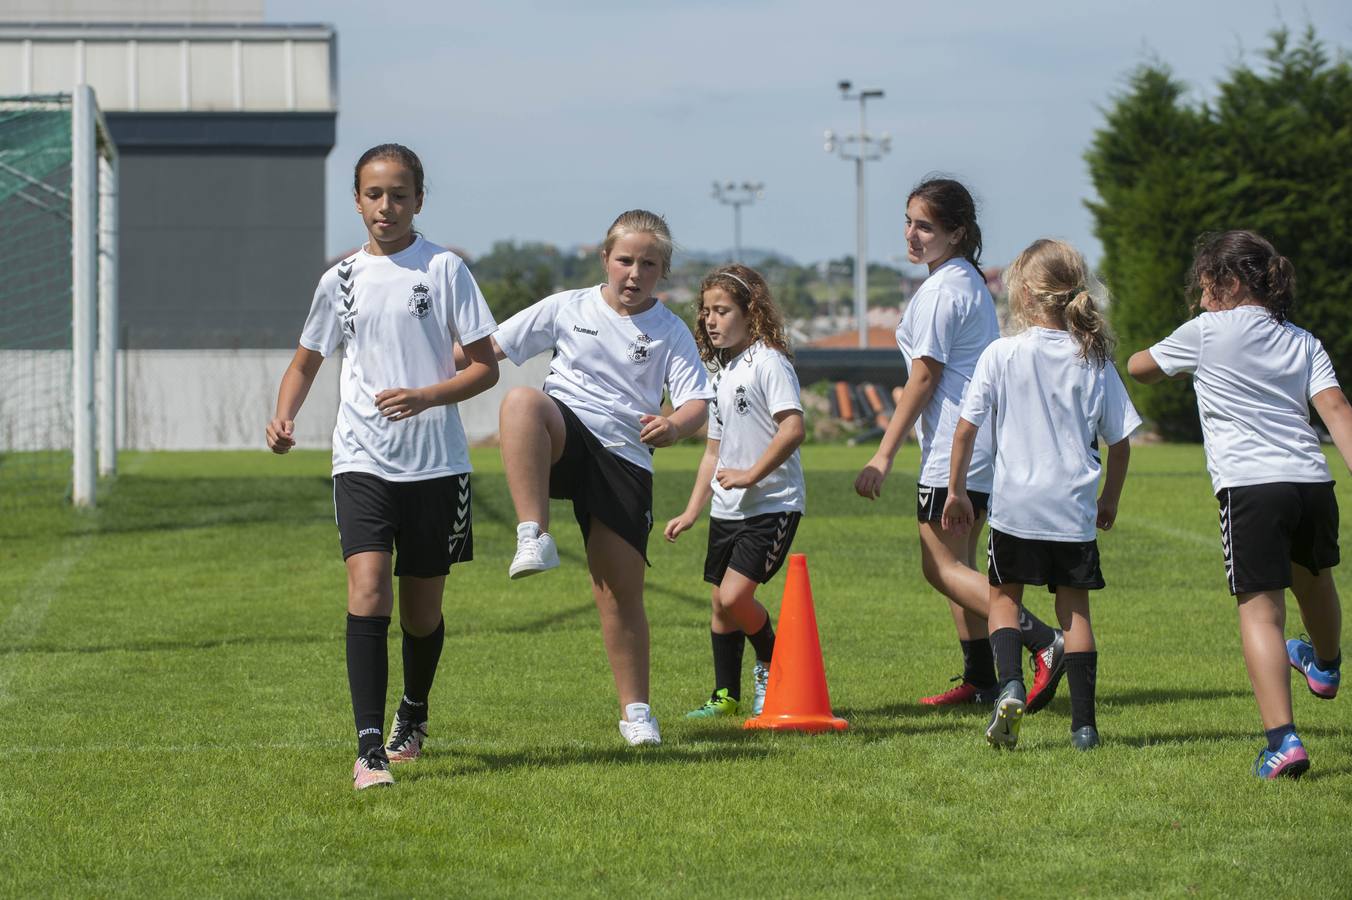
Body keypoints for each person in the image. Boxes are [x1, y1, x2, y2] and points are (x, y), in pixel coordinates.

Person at [265, 143, 500, 789]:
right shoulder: (337, 280)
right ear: (358, 201)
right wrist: (284, 415)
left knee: (421, 613)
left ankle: (413, 715)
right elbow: (306, 360)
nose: (386, 206)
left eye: (399, 194)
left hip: (437, 467)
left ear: (418, 200)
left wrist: (426, 396)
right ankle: (369, 750)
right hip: (362, 460)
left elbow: (485, 366)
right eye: (374, 194)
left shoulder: (445, 269)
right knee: (369, 590)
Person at [1128, 230, 1348, 779]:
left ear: (1227, 281)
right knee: (1316, 579)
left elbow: (1139, 367)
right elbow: (1337, 408)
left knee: (1261, 611)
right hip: (1311, 483)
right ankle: (1325, 666)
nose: (1200, 291)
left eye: (1205, 280)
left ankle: (1283, 741)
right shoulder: (1301, 339)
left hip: (1251, 488)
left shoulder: (1206, 332)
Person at [492, 209, 713, 746]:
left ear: (662, 271)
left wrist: (673, 425)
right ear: (604, 259)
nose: (634, 273)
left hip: (624, 457)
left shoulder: (670, 331)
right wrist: (421, 374)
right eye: (625, 260)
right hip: (565, 432)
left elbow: (696, 404)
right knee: (522, 401)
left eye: (649, 264)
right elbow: (486, 349)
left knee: (619, 594)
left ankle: (637, 715)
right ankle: (533, 535)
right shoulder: (567, 306)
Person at [854, 177, 1064, 710]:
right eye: (908, 221)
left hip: (957, 447)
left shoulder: (944, 288)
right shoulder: (964, 279)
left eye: (925, 225)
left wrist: (883, 454)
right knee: (961, 565)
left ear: (958, 232)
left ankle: (1042, 640)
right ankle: (981, 679)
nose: (912, 234)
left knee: (940, 566)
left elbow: (923, 379)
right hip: (976, 446)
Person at [945, 238, 1139, 751]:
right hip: (1072, 511)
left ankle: (1010, 683)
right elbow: (1120, 445)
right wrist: (1110, 500)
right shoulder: (1093, 360)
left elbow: (965, 431)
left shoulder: (1002, 354)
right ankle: (1084, 727)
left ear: (1025, 295)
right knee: (1075, 614)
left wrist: (956, 492)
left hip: (1015, 509)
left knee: (1004, 599)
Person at [664, 265, 805, 719]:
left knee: (734, 598)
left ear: (751, 312)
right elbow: (713, 454)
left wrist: (750, 475)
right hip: (728, 509)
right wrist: (690, 511)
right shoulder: (722, 373)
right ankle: (725, 696)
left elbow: (793, 429)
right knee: (720, 605)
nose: (710, 320)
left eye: (722, 310)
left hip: (772, 504)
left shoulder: (770, 361)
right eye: (706, 311)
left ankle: (773, 665)